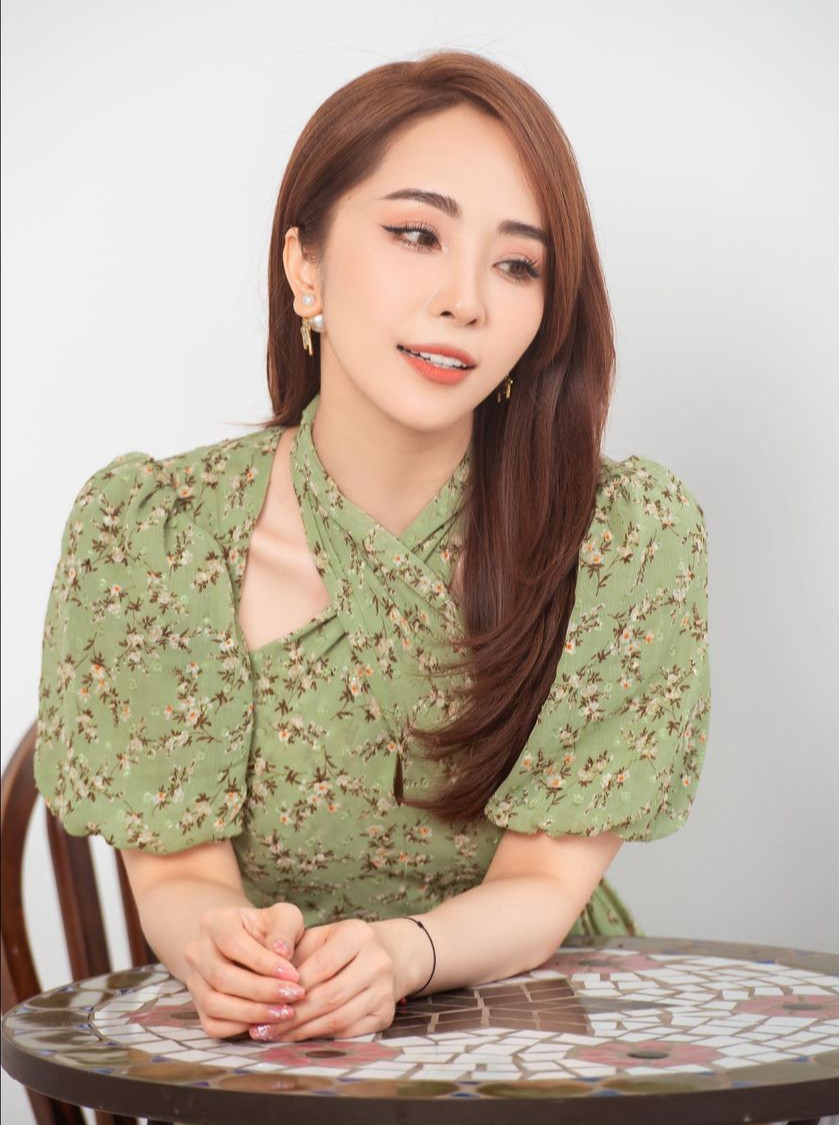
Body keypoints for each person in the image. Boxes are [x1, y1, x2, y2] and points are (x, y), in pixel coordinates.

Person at [33, 49, 711, 1047]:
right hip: (274, 1038)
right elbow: (180, 876)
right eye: (416, 234)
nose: (466, 300)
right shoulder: (157, 532)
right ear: (303, 265)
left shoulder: (619, 537)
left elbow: (542, 883)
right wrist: (222, 952)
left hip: (534, 1026)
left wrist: (401, 955)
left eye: (516, 264)